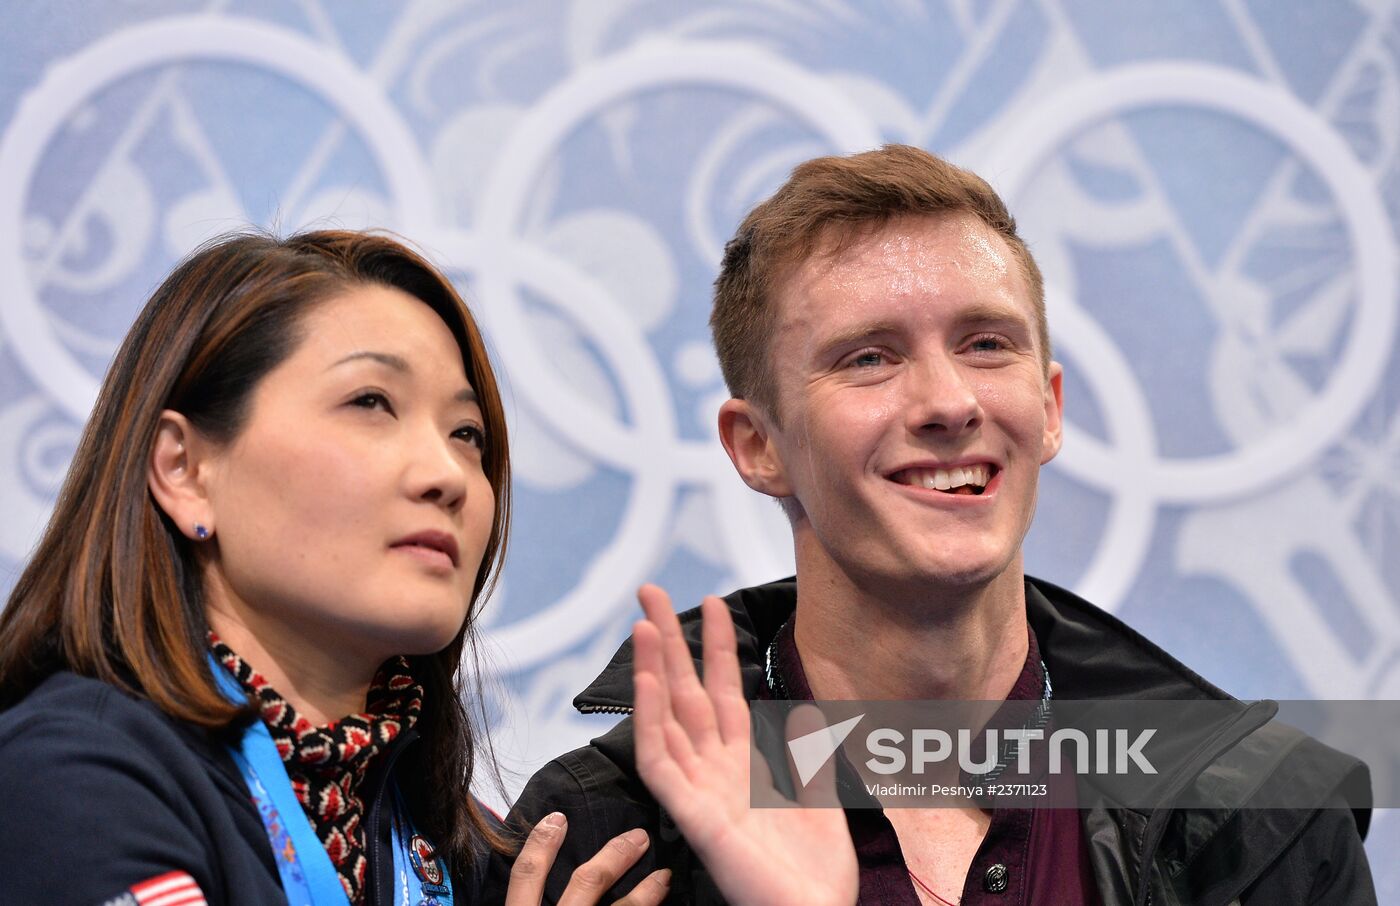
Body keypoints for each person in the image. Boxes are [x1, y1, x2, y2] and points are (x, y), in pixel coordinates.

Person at [507, 145, 1377, 904]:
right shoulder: (603, 837)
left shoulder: (1262, 819)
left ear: (1049, 407)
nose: (949, 403)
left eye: (987, 344)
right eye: (870, 358)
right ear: (757, 445)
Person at [0, 230, 684, 906]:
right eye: (371, 402)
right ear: (185, 471)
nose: (447, 474)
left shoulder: (457, 843)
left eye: (466, 434)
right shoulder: (74, 774)